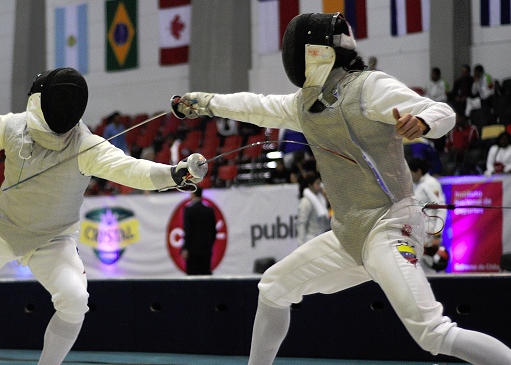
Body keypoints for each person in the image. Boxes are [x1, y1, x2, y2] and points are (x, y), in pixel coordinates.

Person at [171, 12, 511, 365]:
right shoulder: (304, 105)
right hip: (349, 236)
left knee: (432, 333)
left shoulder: (369, 87)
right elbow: (255, 106)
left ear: (316, 53)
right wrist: (203, 102)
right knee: (273, 288)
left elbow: (442, 112)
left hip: (389, 227)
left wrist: (423, 121)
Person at [0, 67, 201, 365]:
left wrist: (173, 175)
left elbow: (131, 169)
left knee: (75, 300)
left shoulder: (86, 146)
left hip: (53, 240)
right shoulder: (15, 126)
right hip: (2, 227)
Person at [407, 158, 448, 274]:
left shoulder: (430, 183)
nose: (409, 176)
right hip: (420, 235)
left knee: (431, 270)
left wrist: (437, 234)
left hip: (430, 236)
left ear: (418, 171)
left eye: (411, 173)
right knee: (420, 270)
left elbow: (441, 209)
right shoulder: (418, 185)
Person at [181, 188, 217, 275]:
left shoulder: (189, 210)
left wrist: (185, 248)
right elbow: (213, 231)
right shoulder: (209, 210)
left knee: (192, 278)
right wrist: (208, 245)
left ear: (193, 194)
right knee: (205, 276)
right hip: (206, 250)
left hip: (192, 251)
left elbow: (187, 230)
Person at [296, 171, 331, 244]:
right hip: (310, 239)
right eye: (317, 184)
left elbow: (326, 222)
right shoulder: (305, 202)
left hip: (321, 237)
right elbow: (301, 223)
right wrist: (301, 244)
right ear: (310, 185)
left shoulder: (321, 199)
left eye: (320, 183)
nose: (320, 186)